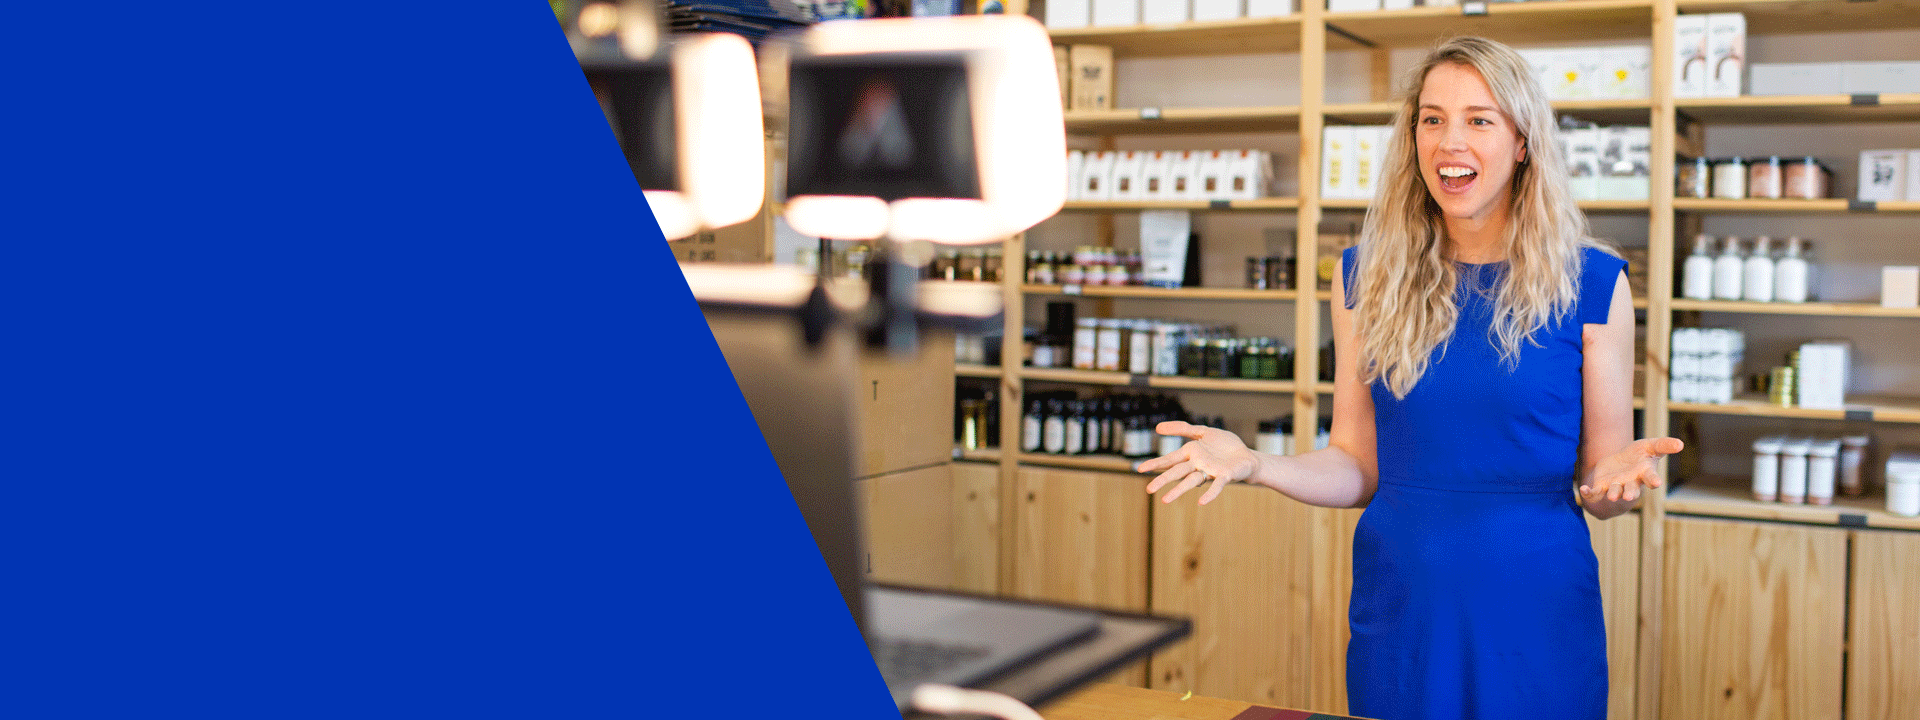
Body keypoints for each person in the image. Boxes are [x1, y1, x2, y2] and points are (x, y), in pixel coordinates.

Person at [1135, 36, 1683, 720]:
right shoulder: (1366, 275)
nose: (1450, 140)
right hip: (1403, 606)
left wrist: (1617, 483)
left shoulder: (1594, 283)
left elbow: (1603, 491)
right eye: (1432, 118)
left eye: (1479, 119)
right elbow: (1356, 465)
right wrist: (1254, 465)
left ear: (1522, 142)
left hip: (1535, 608)